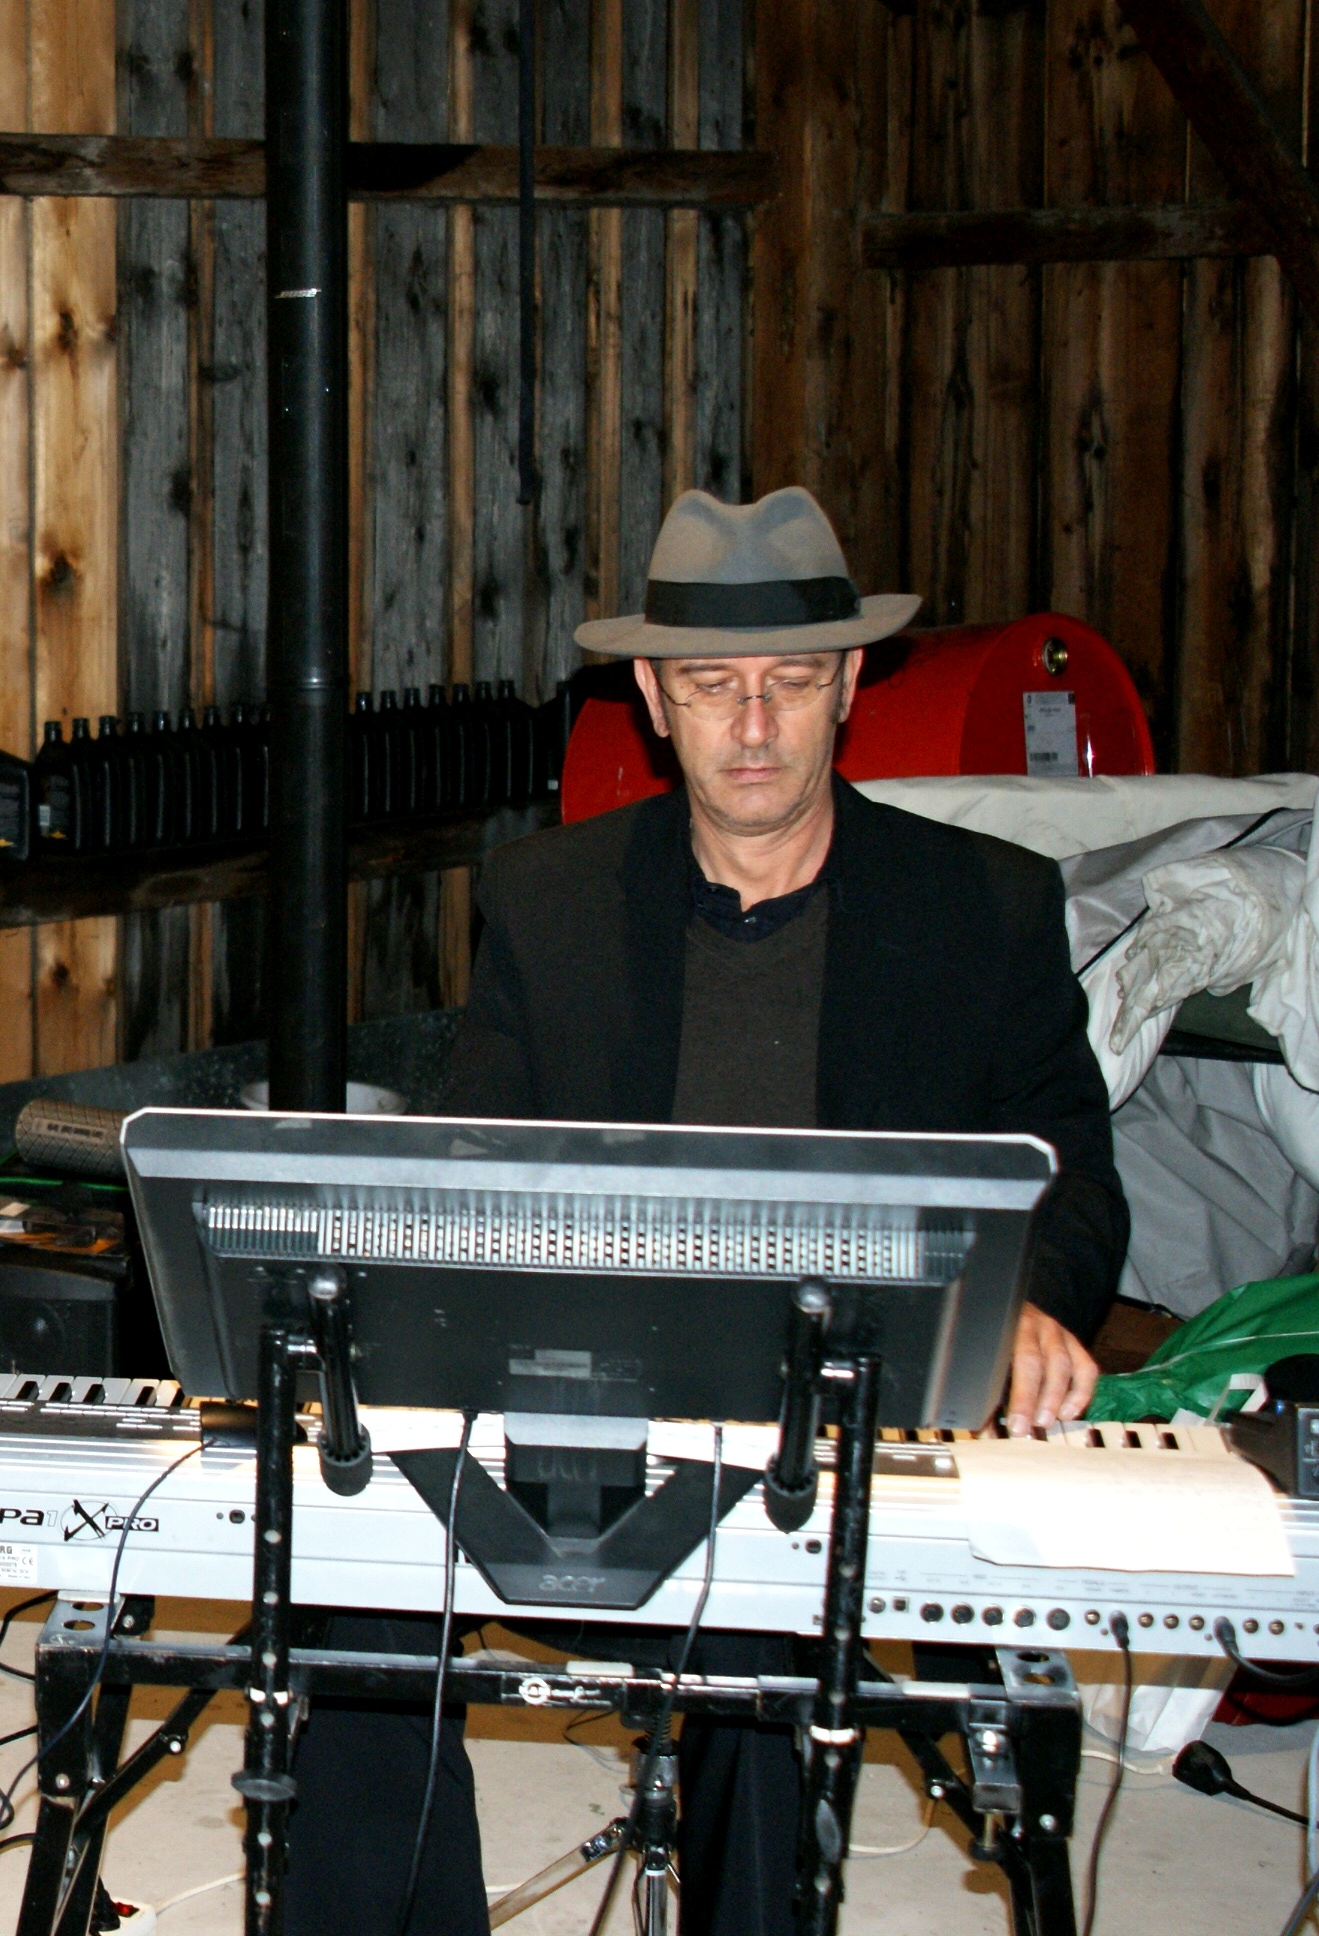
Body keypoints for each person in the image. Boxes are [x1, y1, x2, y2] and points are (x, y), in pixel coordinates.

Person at [283, 486, 1126, 1936]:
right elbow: (467, 1176)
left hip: (843, 1427)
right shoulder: (552, 898)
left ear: (848, 684)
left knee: (762, 1652)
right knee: (347, 1581)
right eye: (715, 686)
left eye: (789, 683)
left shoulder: (981, 907)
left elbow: (1074, 1169)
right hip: (587, 1417)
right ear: (656, 701)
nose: (753, 725)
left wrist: (1032, 1300)